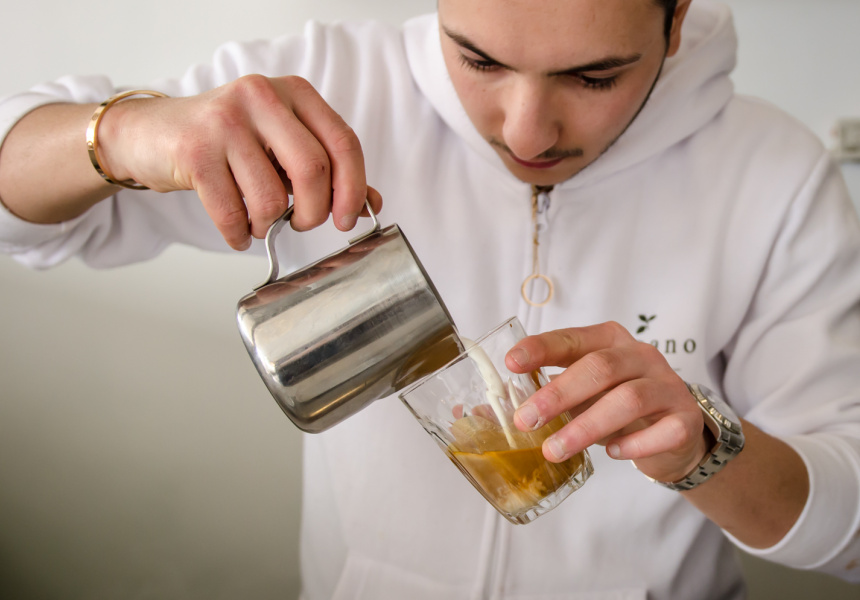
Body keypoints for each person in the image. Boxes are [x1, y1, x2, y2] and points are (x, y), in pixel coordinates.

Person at [1, 0, 859, 597]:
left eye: (594, 76)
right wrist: (124, 132)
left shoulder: (776, 178)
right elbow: (22, 221)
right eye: (479, 60)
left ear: (676, 20)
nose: (526, 130)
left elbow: (849, 536)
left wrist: (705, 452)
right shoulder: (324, 84)